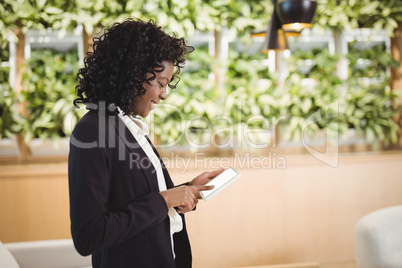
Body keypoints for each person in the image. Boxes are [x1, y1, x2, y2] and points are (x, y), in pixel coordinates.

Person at [68, 18, 223, 268]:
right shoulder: (92, 131)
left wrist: (187, 190)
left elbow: (137, 197)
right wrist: (164, 200)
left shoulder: (127, 124)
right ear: (133, 74)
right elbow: (89, 235)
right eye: (161, 84)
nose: (164, 95)